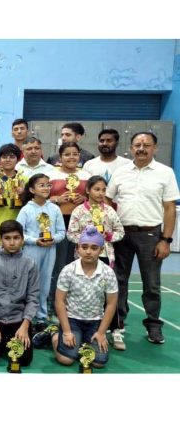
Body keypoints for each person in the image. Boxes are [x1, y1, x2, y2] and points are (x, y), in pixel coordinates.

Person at [106, 131, 179, 345]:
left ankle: (154, 325)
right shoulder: (120, 172)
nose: (141, 148)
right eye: (137, 144)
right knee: (118, 280)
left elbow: (169, 208)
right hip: (121, 234)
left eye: (146, 145)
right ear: (130, 148)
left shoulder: (165, 173)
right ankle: (118, 322)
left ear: (155, 148)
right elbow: (108, 200)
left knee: (152, 284)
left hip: (150, 234)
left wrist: (166, 239)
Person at [67, 176, 125, 350]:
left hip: (105, 256)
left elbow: (120, 232)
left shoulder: (109, 211)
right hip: (83, 258)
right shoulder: (78, 211)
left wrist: (107, 236)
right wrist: (86, 240)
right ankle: (79, 325)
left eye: (103, 190)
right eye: (96, 189)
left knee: (109, 294)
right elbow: (71, 234)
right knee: (83, 292)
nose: (100, 193)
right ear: (87, 190)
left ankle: (114, 329)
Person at [50, 227, 118, 369]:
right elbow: (59, 301)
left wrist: (101, 332)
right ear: (78, 249)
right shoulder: (68, 270)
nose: (88, 251)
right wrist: (67, 332)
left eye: (94, 248)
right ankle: (54, 334)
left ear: (101, 250)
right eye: (84, 247)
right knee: (66, 359)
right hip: (72, 320)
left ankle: (81, 340)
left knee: (98, 362)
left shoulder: (108, 272)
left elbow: (111, 304)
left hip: (95, 321)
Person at [0, 220, 39, 366]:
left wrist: (25, 326)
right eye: (7, 238)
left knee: (24, 359)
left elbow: (33, 298)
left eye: (16, 238)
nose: (12, 242)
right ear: (0, 240)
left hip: (18, 321)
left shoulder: (30, 264)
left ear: (22, 240)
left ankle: (11, 339)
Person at [47, 142, 92, 320]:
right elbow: (41, 195)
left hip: (81, 225)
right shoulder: (51, 175)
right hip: (58, 223)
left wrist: (85, 198)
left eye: (75, 154)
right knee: (58, 267)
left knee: (79, 266)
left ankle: (76, 305)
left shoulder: (87, 176)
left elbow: (96, 195)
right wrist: (57, 198)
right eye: (67, 154)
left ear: (79, 155)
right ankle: (54, 305)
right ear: (60, 157)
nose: (71, 157)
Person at [16, 173, 65, 330]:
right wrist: (34, 240)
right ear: (31, 189)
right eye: (41, 185)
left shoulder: (55, 209)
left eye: (47, 185)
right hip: (32, 250)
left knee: (45, 282)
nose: (45, 188)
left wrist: (54, 240)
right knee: (30, 283)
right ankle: (27, 316)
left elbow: (61, 232)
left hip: (49, 250)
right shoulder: (26, 210)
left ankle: (42, 317)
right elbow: (19, 233)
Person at [0, 143, 28, 253]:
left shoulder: (25, 180)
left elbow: (30, 206)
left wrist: (23, 195)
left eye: (12, 157)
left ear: (17, 160)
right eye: (4, 157)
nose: (8, 160)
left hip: (18, 230)